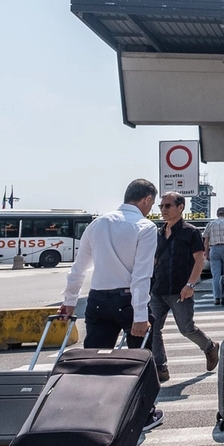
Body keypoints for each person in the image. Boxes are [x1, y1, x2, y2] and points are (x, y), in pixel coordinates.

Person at [58, 178, 164, 431]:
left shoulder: (98, 223)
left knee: (94, 359)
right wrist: (140, 315)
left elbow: (78, 268)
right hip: (128, 301)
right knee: (139, 359)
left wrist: (69, 302)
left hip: (97, 300)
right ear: (147, 200)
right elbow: (141, 275)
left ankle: (89, 413)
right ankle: (143, 414)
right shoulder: (145, 227)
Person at [147, 192, 217, 384]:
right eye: (161, 206)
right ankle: (161, 367)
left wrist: (190, 284)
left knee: (186, 329)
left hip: (180, 290)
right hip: (158, 289)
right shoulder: (158, 232)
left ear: (180, 207)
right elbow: (154, 260)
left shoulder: (190, 231)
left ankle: (210, 347)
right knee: (153, 329)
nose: (163, 210)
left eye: (168, 206)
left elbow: (199, 260)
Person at [203, 206, 224, 300]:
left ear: (217, 214)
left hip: (214, 249)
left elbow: (206, 241)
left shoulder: (210, 224)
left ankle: (217, 297)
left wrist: (206, 253)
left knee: (216, 275)